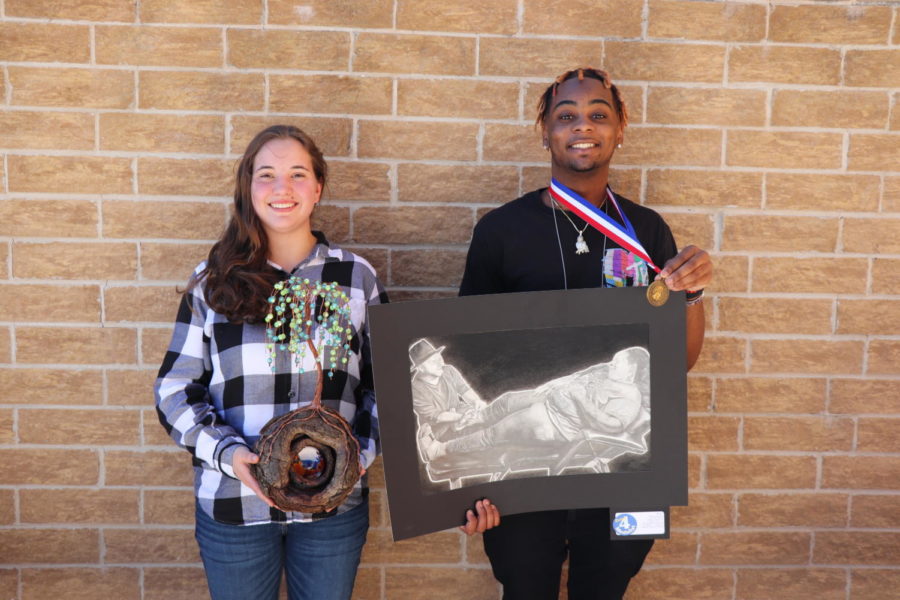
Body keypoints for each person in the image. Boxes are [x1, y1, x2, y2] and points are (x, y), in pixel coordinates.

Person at [455, 68, 714, 599]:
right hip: (528, 463)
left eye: (599, 114)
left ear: (620, 129)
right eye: (566, 115)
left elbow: (678, 362)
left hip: (625, 465)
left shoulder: (647, 230)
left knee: (606, 587)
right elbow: (467, 357)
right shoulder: (501, 231)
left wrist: (693, 295)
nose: (583, 126)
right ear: (544, 130)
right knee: (525, 588)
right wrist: (462, 484)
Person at [154, 125, 388, 600]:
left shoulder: (355, 279)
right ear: (248, 187)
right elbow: (175, 391)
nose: (282, 188)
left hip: (331, 513)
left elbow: (389, 388)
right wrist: (228, 455)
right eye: (267, 175)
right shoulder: (213, 281)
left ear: (318, 187)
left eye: (298, 174)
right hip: (235, 509)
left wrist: (357, 457)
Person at [418, 347, 648, 461]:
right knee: (506, 401)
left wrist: (579, 397)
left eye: (617, 364)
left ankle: (438, 451)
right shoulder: (606, 370)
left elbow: (612, 426)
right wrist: (554, 384)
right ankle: (469, 422)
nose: (610, 365)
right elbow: (580, 374)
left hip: (560, 424)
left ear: (631, 374)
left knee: (495, 433)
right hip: (551, 400)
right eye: (612, 360)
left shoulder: (629, 398)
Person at [409, 338, 486, 440]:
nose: (440, 363)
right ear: (421, 368)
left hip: (461, 416)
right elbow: (435, 416)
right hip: (439, 432)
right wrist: (463, 417)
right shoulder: (415, 388)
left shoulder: (448, 370)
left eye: (439, 359)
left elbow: (464, 390)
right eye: (433, 362)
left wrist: (476, 401)